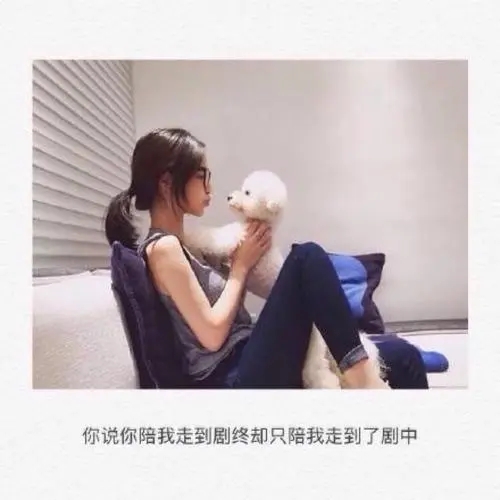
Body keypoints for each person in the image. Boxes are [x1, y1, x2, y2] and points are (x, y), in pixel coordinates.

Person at [105, 127, 429, 390]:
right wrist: (241, 267)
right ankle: (362, 380)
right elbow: (212, 335)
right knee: (306, 256)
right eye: (202, 175)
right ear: (166, 183)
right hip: (232, 377)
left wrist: (245, 265)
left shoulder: (186, 245)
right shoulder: (163, 248)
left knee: (404, 356)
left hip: (248, 352)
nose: (210, 187)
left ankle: (365, 378)